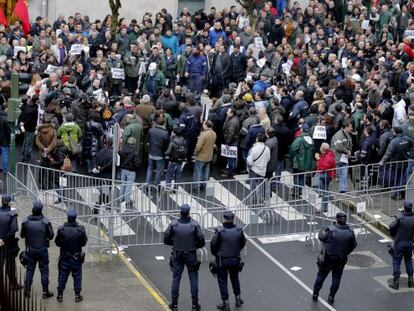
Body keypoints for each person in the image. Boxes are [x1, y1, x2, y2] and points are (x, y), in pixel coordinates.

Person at [163, 204, 205, 311]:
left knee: (176, 278)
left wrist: (175, 243)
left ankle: (175, 304)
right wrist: (194, 245)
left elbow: (166, 238)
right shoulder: (194, 225)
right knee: (193, 278)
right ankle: (195, 305)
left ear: (180, 212)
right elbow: (201, 241)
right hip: (191, 254)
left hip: (177, 254)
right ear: (189, 213)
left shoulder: (174, 224)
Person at [312, 212, 357, 305]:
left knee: (321, 275)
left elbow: (321, 237)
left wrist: (326, 228)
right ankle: (331, 296)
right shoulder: (350, 232)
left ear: (337, 219)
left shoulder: (331, 230)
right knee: (336, 278)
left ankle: (315, 293)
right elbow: (354, 245)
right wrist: (346, 252)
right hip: (341, 257)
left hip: (329, 257)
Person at [210, 211, 246, 310]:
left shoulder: (220, 231)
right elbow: (243, 242)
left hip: (222, 260)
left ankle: (225, 303)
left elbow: (213, 245)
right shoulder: (239, 230)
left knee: (222, 281)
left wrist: (215, 254)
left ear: (224, 219)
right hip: (235, 259)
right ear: (233, 219)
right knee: (235, 279)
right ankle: (238, 298)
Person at [21, 201, 55, 299]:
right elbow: (51, 236)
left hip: (30, 249)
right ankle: (45, 292)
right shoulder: (45, 221)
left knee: (30, 269)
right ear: (41, 210)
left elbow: (22, 235)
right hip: (42, 249)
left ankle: (27, 290)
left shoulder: (26, 221)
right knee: (44, 270)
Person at [55, 210, 88, 303]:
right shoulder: (80, 230)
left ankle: (60, 295)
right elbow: (84, 242)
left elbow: (57, 243)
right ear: (75, 218)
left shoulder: (61, 229)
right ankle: (77, 295)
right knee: (77, 276)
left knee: (63, 275)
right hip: (76, 257)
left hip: (64, 257)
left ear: (67, 217)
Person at [388, 200, 414, 290]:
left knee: (396, 261)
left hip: (400, 243)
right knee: (408, 261)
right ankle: (411, 280)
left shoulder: (401, 218)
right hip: (410, 243)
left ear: (404, 207)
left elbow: (392, 227)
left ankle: (396, 282)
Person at [0, 195, 21, 289]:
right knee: (11, 265)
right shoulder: (12, 214)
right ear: (9, 203)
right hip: (8, 244)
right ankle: (13, 284)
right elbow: (13, 230)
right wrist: (4, 240)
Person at [193, 120, 217, 190]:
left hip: (201, 156)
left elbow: (198, 146)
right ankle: (203, 185)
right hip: (209, 156)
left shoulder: (203, 134)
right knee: (205, 172)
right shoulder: (214, 133)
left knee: (198, 172)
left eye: (203, 124)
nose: (202, 125)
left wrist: (195, 153)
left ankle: (195, 187)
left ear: (206, 125)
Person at [331, 120, 353, 193]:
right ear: (345, 127)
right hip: (337, 158)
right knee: (335, 175)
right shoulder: (338, 135)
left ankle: (342, 190)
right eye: (350, 127)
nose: (351, 128)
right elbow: (338, 146)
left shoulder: (348, 134)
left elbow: (350, 144)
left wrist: (349, 151)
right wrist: (347, 151)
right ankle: (331, 190)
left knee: (344, 174)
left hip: (344, 158)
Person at [315, 143, 336, 212]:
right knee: (325, 190)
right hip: (327, 174)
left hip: (328, 175)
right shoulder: (327, 154)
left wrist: (318, 159)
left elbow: (324, 166)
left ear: (323, 149)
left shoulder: (329, 156)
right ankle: (324, 207)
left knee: (317, 178)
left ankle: (322, 192)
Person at [119, 137, 140, 203]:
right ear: (134, 143)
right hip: (131, 170)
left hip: (123, 169)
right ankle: (127, 200)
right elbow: (137, 163)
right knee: (129, 185)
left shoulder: (122, 150)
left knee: (123, 184)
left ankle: (121, 198)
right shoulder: (135, 151)